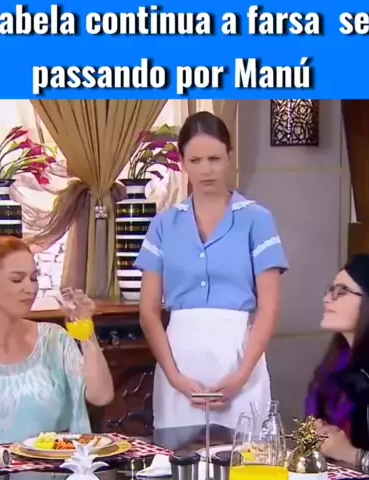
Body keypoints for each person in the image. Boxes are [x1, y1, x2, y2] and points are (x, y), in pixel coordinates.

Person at [134, 111, 289, 429]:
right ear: (182, 163)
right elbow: (148, 312)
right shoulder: (163, 225)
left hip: (239, 361)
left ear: (229, 157)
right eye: (196, 160)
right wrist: (175, 377)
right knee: (179, 457)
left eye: (215, 159)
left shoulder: (257, 220)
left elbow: (269, 307)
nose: (206, 169)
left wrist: (241, 376)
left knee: (245, 456)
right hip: (179, 365)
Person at [0, 236, 114, 449]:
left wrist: (86, 330)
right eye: (17, 280)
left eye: (34, 278)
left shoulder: (53, 340)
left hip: (55, 466)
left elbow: (101, 395)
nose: (30, 288)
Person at [305, 254, 369, 478]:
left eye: (342, 290)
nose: (327, 299)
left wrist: (351, 454)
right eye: (331, 289)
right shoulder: (334, 368)